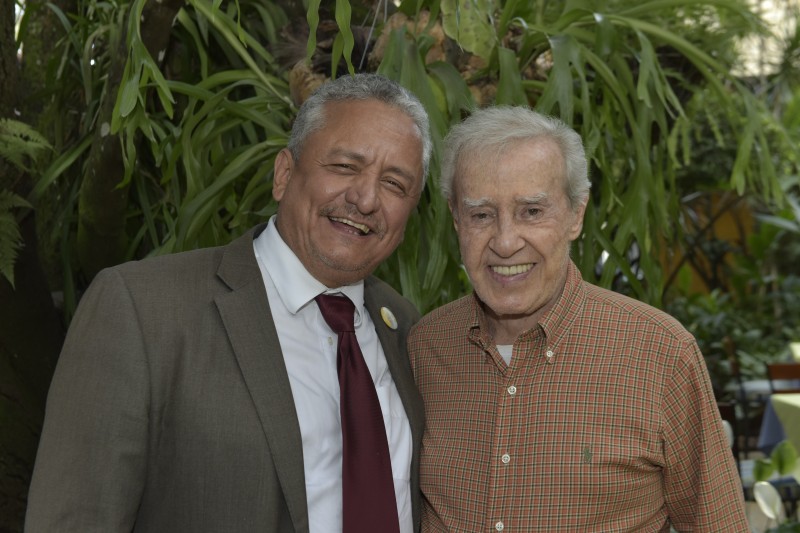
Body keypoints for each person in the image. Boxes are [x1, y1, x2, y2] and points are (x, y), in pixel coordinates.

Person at [25, 73, 431, 533]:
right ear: (284, 174)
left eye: (395, 184)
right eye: (343, 166)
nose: (365, 198)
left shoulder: (407, 330)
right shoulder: (142, 311)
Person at [408, 106, 749, 532]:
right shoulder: (424, 348)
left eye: (532, 211)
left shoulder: (661, 355)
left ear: (576, 214)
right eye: (481, 215)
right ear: (456, 219)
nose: (506, 241)